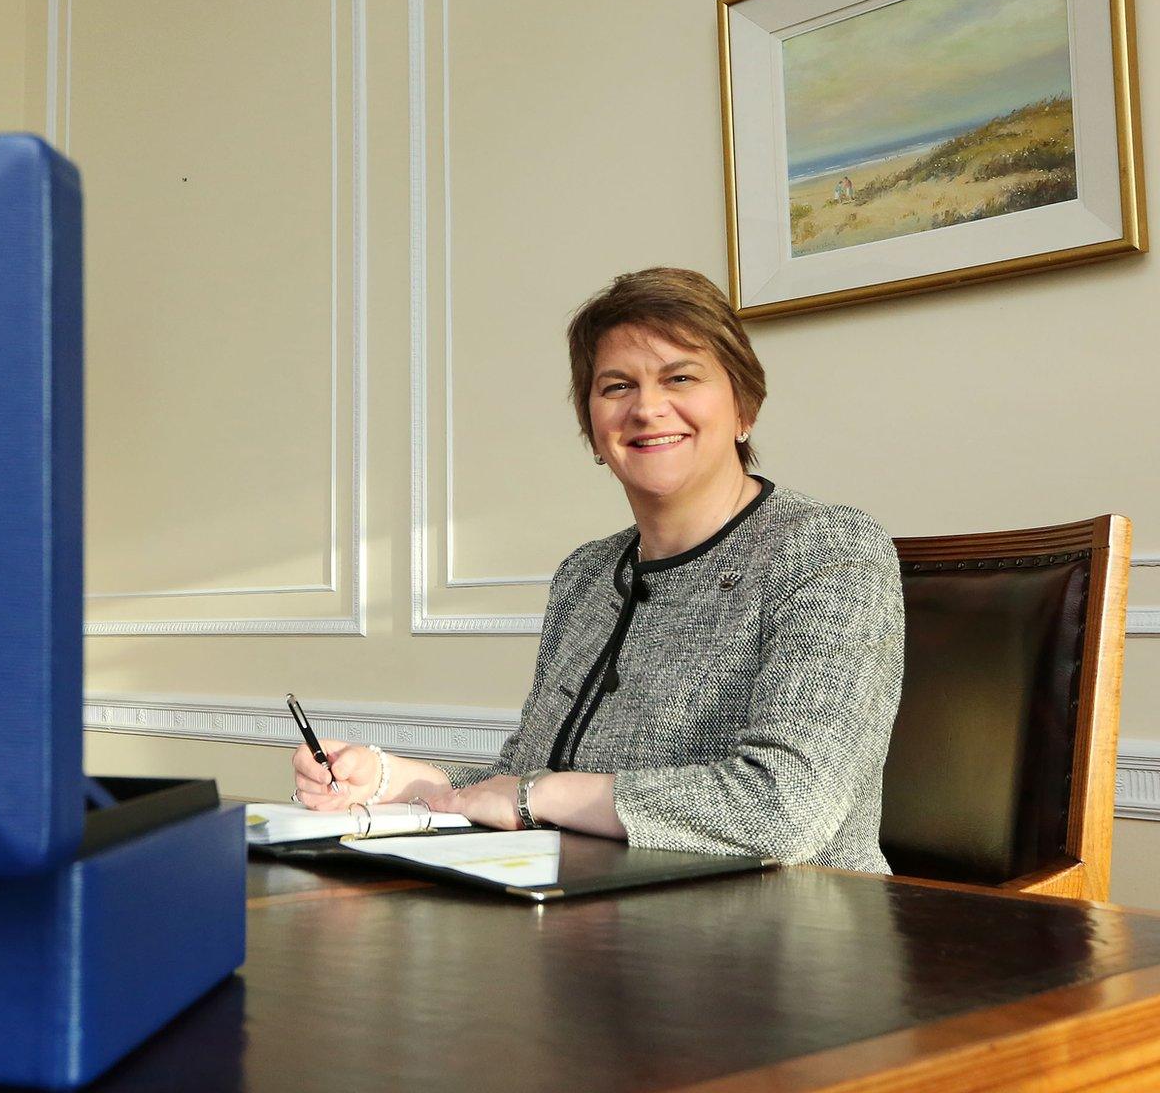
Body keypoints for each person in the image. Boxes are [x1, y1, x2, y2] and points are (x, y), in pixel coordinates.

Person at [292, 267, 903, 872]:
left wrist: (541, 796)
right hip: (589, 923)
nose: (647, 408)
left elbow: (787, 811)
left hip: (792, 939)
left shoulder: (829, 549)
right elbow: (525, 782)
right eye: (616, 387)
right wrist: (396, 782)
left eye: (680, 377)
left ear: (745, 406)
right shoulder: (586, 573)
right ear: (592, 428)